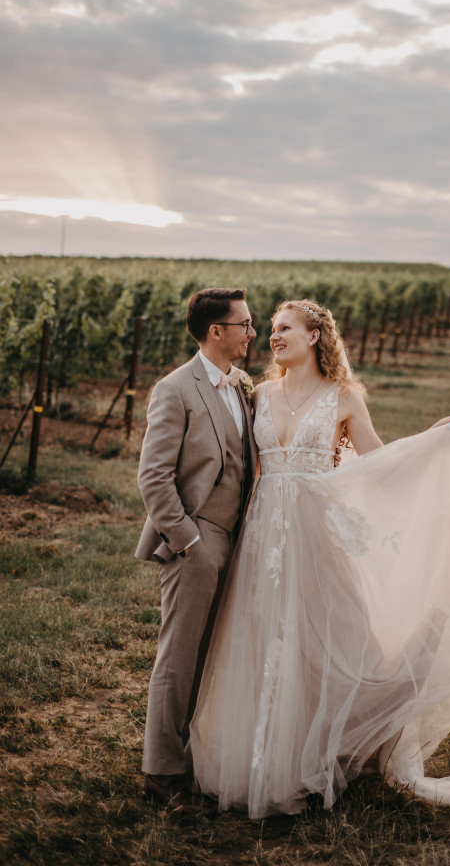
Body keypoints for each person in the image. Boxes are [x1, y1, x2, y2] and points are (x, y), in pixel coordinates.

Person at [188, 299, 450, 818]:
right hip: (264, 539)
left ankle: (329, 748)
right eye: (270, 330)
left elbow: (381, 464)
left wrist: (437, 439)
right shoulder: (257, 394)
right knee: (263, 641)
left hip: (317, 537)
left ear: (314, 337)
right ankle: (262, 760)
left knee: (333, 641)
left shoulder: (344, 398)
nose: (273, 336)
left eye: (285, 328)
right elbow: (249, 471)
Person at [135, 287, 257, 809]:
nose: (252, 333)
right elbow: (153, 476)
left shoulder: (241, 386)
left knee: (213, 655)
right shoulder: (175, 389)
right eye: (245, 324)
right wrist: (188, 541)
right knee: (180, 657)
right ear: (217, 331)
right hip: (197, 540)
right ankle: (162, 773)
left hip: (240, 539)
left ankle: (198, 760)